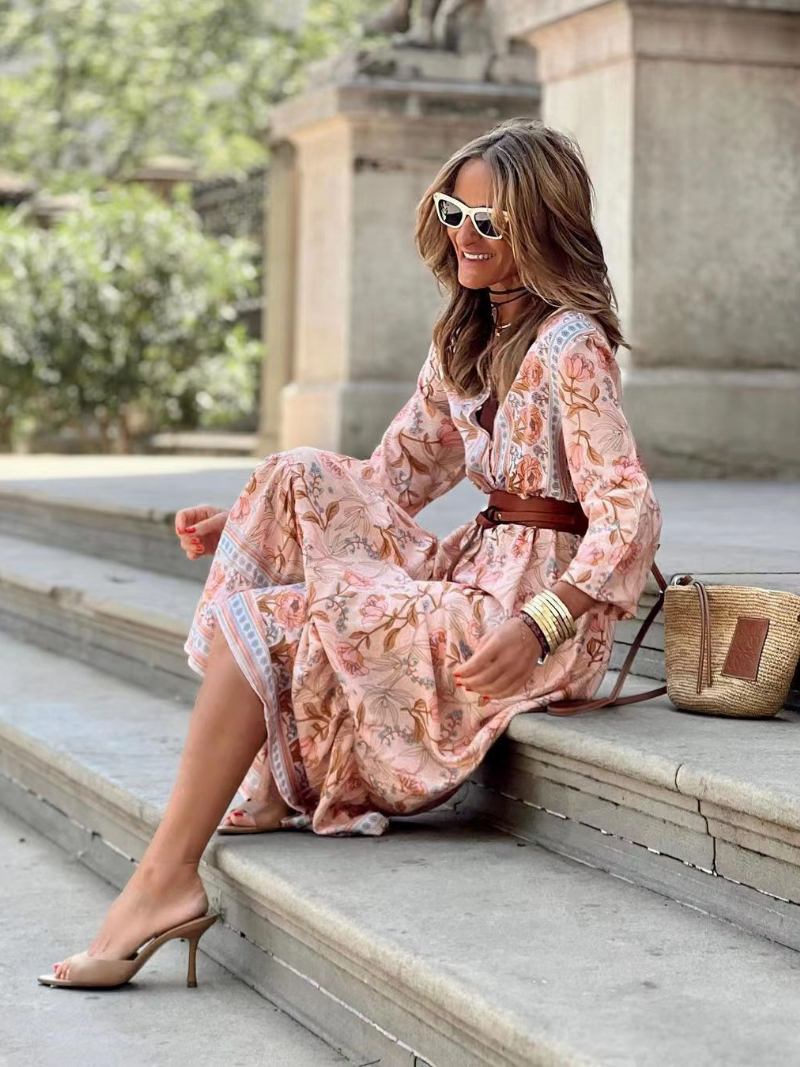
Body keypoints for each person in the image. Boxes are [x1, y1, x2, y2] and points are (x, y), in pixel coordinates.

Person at [40, 118, 661, 989]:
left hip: (537, 615)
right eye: (454, 213)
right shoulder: (465, 343)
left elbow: (630, 513)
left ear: (542, 227)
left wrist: (540, 620)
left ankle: (166, 875)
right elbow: (392, 476)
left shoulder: (572, 347)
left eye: (491, 221)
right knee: (292, 473)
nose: (465, 235)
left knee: (275, 621)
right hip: (474, 571)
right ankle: (194, 842)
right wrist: (246, 518)